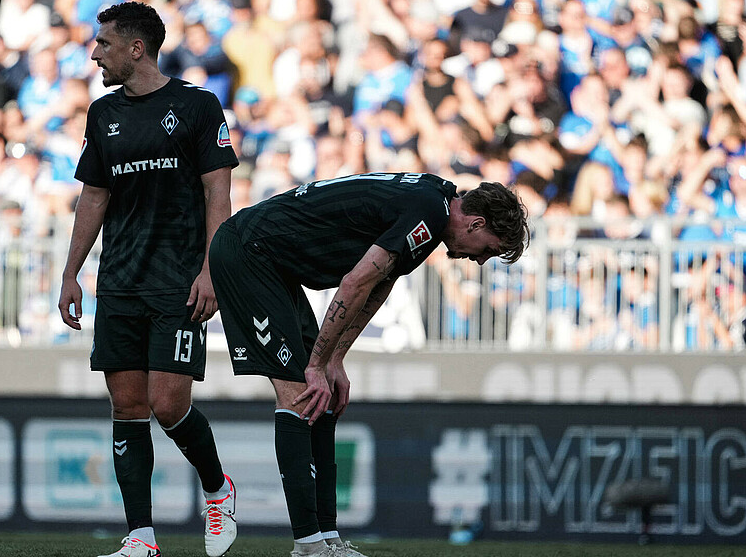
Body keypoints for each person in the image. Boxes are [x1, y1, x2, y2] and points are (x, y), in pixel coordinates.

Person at [208, 174, 529, 557]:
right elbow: (354, 283)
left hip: (274, 264)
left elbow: (379, 283)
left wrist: (335, 358)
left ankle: (328, 539)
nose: (479, 260)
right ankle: (308, 545)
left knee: (321, 401)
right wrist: (316, 364)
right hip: (248, 252)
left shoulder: (434, 205)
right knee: (300, 394)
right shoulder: (428, 209)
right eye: (487, 250)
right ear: (477, 224)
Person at [57, 2, 238, 557]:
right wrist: (71, 272)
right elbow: (94, 195)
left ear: (137, 48)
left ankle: (217, 487)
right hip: (119, 280)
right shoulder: (102, 114)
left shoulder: (197, 106)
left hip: (179, 280)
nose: (95, 54)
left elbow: (218, 192)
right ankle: (141, 537)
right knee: (126, 406)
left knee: (167, 404)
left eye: (104, 44)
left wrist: (213, 268)